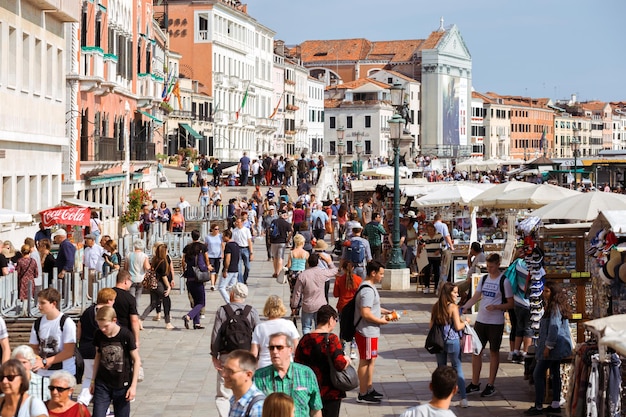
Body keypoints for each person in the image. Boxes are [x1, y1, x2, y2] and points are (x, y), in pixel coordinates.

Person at [461, 253, 513, 398]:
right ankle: (475, 382)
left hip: (495, 322)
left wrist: (497, 307)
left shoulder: (504, 281)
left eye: (491, 266)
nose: (489, 269)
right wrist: (464, 307)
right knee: (476, 351)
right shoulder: (484, 279)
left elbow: (511, 303)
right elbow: (476, 297)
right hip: (481, 320)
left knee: (494, 352)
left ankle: (490, 384)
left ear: (498, 264)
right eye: (487, 267)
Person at [524, 281, 573, 416]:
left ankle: (539, 405)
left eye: (547, 291)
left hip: (554, 348)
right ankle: (555, 403)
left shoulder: (554, 308)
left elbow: (554, 328)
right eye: (544, 291)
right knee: (555, 373)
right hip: (557, 347)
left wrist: (548, 346)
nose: (544, 294)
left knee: (538, 374)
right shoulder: (554, 306)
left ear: (554, 293)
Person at [211, 284, 260, 417]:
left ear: (232, 294)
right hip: (246, 357)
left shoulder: (222, 311)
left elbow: (216, 335)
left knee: (223, 395)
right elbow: (258, 334)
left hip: (227, 356)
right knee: (246, 389)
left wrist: (214, 355)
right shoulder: (252, 311)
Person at [354, 260, 397, 404]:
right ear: (373, 273)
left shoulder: (370, 287)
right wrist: (381, 321)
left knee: (371, 360)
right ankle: (362, 392)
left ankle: (369, 387)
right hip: (366, 331)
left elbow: (373, 307)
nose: (382, 276)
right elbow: (366, 313)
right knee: (365, 361)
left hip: (371, 331)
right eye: (381, 273)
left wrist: (387, 312)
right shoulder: (367, 290)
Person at [294, 305, 349, 417]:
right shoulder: (332, 339)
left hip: (309, 389)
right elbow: (340, 364)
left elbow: (297, 364)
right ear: (330, 320)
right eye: (335, 320)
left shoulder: (305, 339)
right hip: (330, 392)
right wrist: (347, 360)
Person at [254, 333, 323, 417]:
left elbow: (316, 409)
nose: (275, 351)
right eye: (271, 348)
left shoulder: (306, 374)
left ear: (290, 350)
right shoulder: (259, 377)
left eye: (279, 347)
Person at [90, 306, 140, 417]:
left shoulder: (126, 335)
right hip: (102, 383)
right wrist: (93, 380)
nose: (103, 329)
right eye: (100, 326)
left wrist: (133, 386)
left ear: (114, 320)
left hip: (122, 384)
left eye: (106, 326)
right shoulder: (99, 334)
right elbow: (98, 356)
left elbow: (136, 360)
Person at [430, 282, 470, 408]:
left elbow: (431, 326)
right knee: (457, 367)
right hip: (452, 341)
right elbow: (458, 326)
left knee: (441, 370)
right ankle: (463, 399)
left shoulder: (436, 306)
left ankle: (439, 398)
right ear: (448, 293)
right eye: (455, 292)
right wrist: (467, 322)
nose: (457, 295)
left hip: (439, 341)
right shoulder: (453, 307)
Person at [76, 288, 116, 406]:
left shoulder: (88, 310)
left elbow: (79, 325)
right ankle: (87, 401)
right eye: (113, 300)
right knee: (103, 380)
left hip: (85, 349)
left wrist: (79, 341)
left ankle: (84, 400)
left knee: (89, 377)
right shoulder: (107, 313)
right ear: (109, 300)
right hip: (100, 350)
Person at [29, 289, 76, 378]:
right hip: (42, 373)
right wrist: (39, 359)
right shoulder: (37, 323)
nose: (39, 306)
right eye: (39, 303)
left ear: (53, 304)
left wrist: (46, 361)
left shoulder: (66, 322)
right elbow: (34, 347)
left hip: (63, 373)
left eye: (43, 303)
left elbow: (69, 352)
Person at [291, 253, 337, 334]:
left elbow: (297, 293)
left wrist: (294, 306)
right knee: (320, 326)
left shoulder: (302, 275)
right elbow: (335, 271)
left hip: (307, 305)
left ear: (308, 262)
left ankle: (308, 342)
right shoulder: (322, 272)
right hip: (321, 304)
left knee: (306, 327)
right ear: (318, 262)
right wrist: (329, 262)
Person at [251, 296, 299, 369]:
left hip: (264, 365)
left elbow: (254, 353)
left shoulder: (260, 327)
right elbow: (296, 348)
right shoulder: (289, 324)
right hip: (285, 365)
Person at [138, 244, 174, 330]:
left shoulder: (155, 259)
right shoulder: (163, 261)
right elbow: (163, 276)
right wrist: (168, 287)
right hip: (160, 285)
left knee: (153, 303)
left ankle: (141, 319)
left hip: (153, 284)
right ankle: (168, 322)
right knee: (166, 301)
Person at [221, 350, 265, 417]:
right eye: (224, 369)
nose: (224, 374)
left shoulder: (257, 407)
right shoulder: (234, 399)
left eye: (230, 371)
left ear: (248, 375)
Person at [181, 230, 210, 330]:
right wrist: (208, 267)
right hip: (198, 277)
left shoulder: (187, 247)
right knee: (201, 302)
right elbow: (206, 259)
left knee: (195, 301)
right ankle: (189, 316)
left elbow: (183, 261)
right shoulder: (202, 247)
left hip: (189, 277)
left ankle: (196, 323)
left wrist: (185, 270)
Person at [111, 271, 140, 348]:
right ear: (126, 281)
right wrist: (136, 340)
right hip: (124, 332)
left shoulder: (108, 294)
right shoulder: (130, 298)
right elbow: (134, 320)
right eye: (130, 281)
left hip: (109, 330)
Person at [123, 240, 150, 308]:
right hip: (141, 278)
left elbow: (125, 268)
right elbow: (147, 267)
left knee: (131, 296)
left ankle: (131, 310)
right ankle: (135, 311)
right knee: (138, 296)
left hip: (131, 278)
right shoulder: (144, 256)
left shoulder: (128, 255)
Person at [268, 210, 292, 279]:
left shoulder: (274, 221)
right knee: (280, 257)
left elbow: (270, 230)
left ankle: (275, 272)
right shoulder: (286, 223)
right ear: (284, 215)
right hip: (282, 241)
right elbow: (290, 232)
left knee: (275, 257)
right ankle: (279, 272)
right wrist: (288, 239)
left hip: (274, 241)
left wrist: (269, 239)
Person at [285, 234, 309, 304]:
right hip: (302, 273)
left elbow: (289, 265)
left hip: (292, 273)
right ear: (302, 243)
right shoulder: (306, 253)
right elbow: (307, 265)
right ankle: (298, 307)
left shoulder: (291, 253)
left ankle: (293, 308)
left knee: (292, 291)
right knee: (301, 292)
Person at [422, 223, 443, 294]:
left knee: (437, 272)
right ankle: (426, 287)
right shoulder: (425, 236)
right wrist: (418, 252)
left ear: (434, 229)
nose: (430, 231)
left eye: (431, 229)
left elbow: (444, 245)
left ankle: (436, 287)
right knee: (427, 272)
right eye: (428, 230)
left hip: (436, 257)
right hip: (427, 256)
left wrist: (439, 250)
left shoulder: (439, 235)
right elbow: (420, 244)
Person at [232, 217, 254, 284]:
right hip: (237, 249)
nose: (237, 223)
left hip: (245, 248)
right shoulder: (234, 231)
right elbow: (233, 241)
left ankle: (244, 279)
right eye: (236, 222)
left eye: (239, 222)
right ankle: (240, 282)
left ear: (242, 223)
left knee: (247, 267)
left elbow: (249, 241)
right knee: (239, 268)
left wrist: (251, 252)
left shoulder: (246, 230)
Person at [205, 223, 224, 291]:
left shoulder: (220, 236)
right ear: (212, 229)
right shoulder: (208, 237)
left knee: (217, 271)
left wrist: (223, 253)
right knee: (212, 271)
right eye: (216, 229)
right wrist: (205, 254)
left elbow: (222, 245)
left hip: (218, 255)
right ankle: (212, 285)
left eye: (218, 229)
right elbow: (206, 246)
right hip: (210, 255)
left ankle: (214, 283)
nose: (217, 230)